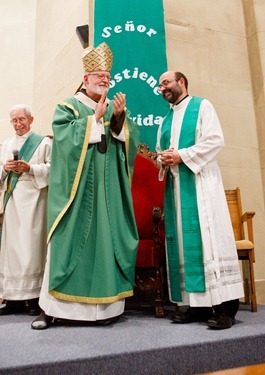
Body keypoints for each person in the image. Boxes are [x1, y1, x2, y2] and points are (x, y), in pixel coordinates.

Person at [31, 42, 139, 330]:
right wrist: (94, 120)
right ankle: (52, 309)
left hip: (107, 192)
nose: (104, 80)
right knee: (67, 241)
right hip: (76, 193)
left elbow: (129, 142)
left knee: (107, 240)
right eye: (98, 76)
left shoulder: (113, 106)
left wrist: (118, 120)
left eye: (107, 76)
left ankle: (104, 311)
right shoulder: (68, 106)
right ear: (86, 78)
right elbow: (64, 140)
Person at [156, 71, 244, 329]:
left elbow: (215, 141)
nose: (163, 88)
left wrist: (181, 156)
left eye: (166, 83)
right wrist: (163, 159)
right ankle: (198, 306)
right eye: (160, 85)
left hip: (202, 187)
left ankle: (227, 309)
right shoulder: (165, 121)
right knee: (185, 246)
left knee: (211, 242)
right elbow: (162, 153)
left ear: (181, 82)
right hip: (178, 192)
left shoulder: (202, 106)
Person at [0, 104, 52, 315]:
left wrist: (30, 168)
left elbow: (54, 169)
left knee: (31, 248)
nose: (18, 124)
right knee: (12, 250)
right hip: (12, 201)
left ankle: (33, 299)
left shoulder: (44, 142)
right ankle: (13, 300)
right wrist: (5, 168)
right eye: (14, 120)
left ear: (31, 120)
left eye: (22, 119)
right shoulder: (6, 144)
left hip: (35, 200)